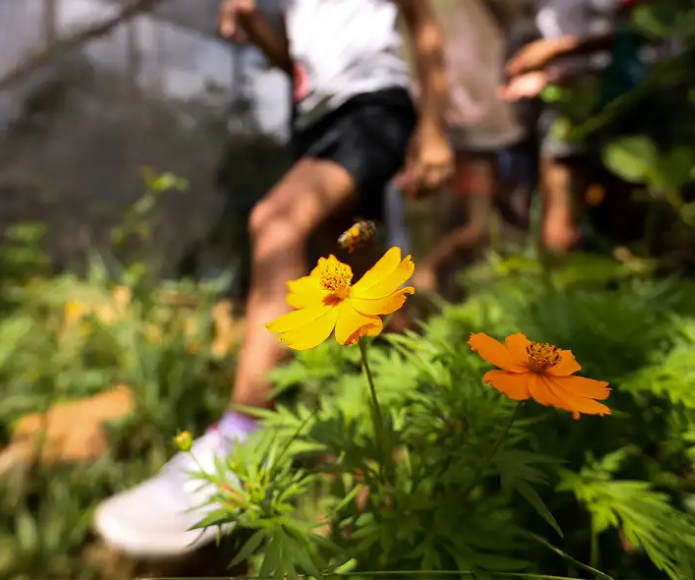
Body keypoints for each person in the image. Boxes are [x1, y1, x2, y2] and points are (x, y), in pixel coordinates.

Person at [94, 0, 451, 557]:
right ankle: (426, 418)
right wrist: (257, 27)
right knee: (363, 287)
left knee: (276, 222)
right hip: (316, 118)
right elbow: (294, 65)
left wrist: (433, 129)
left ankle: (241, 440)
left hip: (372, 106)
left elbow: (425, 28)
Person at [499, 0, 650, 253]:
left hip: (619, 93)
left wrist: (556, 51)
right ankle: (560, 281)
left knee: (626, 204)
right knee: (559, 205)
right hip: (562, 96)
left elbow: (638, 28)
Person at [403, 0, 528, 299]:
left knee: (477, 226)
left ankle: (430, 273)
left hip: (477, 119)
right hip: (453, 120)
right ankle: (426, 274)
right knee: (469, 225)